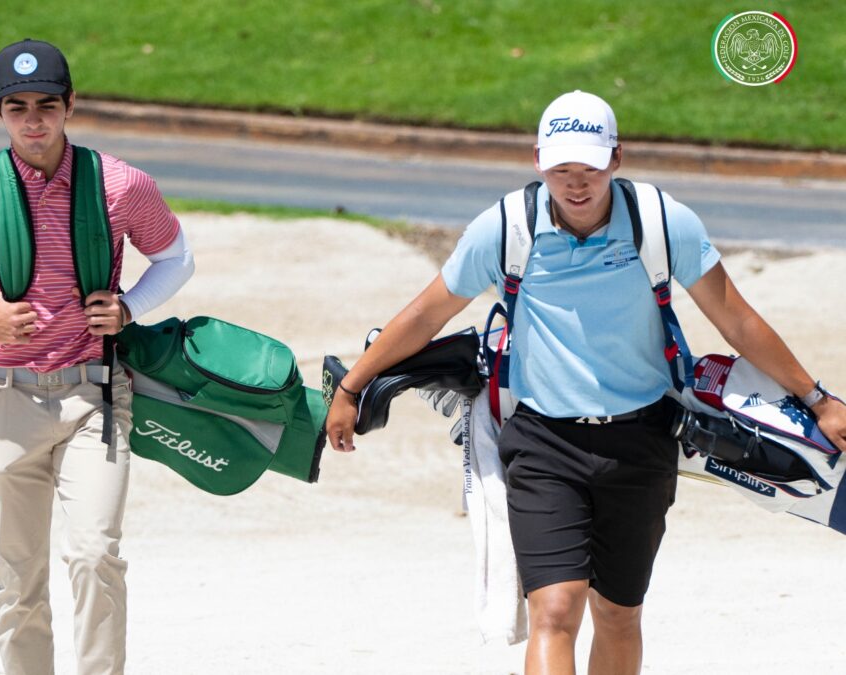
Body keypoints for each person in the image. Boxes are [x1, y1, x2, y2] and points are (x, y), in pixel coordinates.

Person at [324, 90, 846, 675]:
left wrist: (818, 400)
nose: (576, 185)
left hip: (643, 439)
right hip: (543, 442)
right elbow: (426, 314)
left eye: (591, 169)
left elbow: (738, 320)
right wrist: (351, 387)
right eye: (561, 170)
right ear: (537, 161)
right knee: (554, 611)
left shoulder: (661, 222)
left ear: (616, 158)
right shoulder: (505, 228)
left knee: (619, 614)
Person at [0, 39, 194, 675]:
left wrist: (129, 307)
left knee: (96, 556)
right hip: (3, 398)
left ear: (70, 104)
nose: (33, 121)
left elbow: (176, 257)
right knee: (18, 578)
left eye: (47, 105)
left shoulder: (120, 184)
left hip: (94, 396)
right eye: (17, 107)